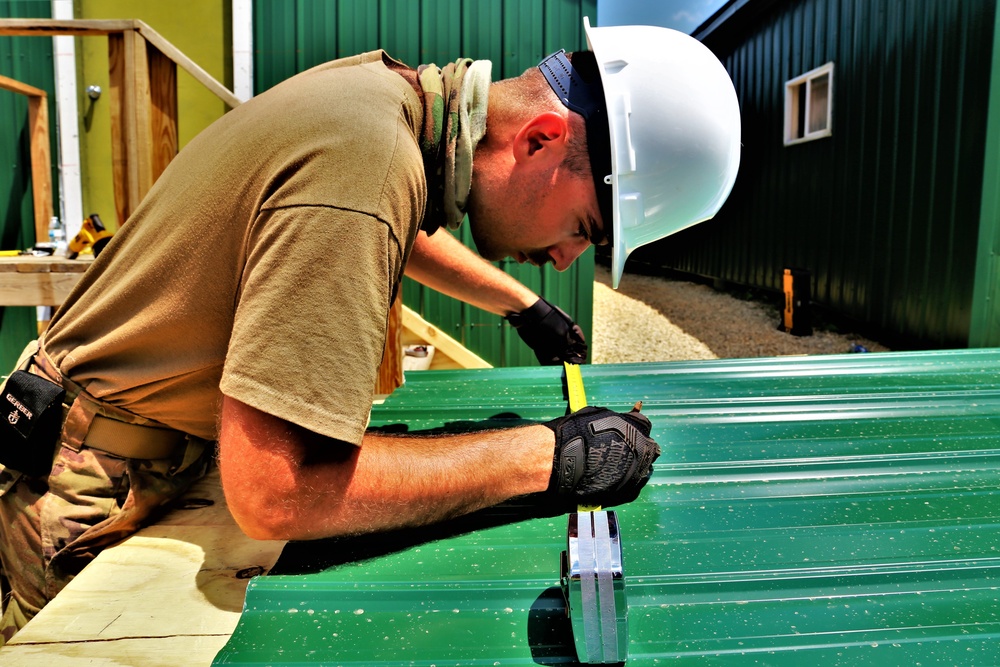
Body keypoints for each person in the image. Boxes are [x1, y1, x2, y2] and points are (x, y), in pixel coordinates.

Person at [0, 18, 740, 641]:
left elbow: (393, 233)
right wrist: (549, 454)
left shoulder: (381, 105)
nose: (565, 260)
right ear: (543, 139)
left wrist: (522, 305)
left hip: (111, 441)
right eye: (585, 229)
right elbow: (276, 492)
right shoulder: (367, 165)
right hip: (83, 489)